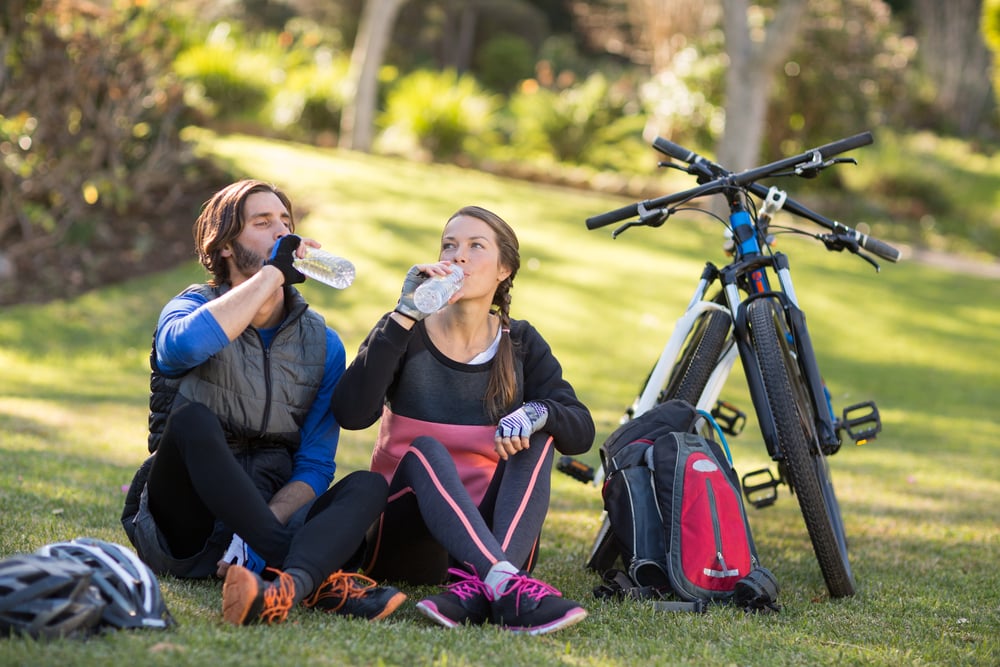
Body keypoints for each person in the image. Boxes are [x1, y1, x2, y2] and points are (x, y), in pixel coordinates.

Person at [120, 179, 404, 626]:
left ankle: (283, 584)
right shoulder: (190, 307)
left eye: (286, 222)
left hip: (270, 508)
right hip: (185, 523)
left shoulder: (323, 344)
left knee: (367, 486)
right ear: (227, 246)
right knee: (192, 421)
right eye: (263, 222)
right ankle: (316, 577)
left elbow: (314, 465)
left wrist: (253, 535)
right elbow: (182, 349)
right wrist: (272, 273)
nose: (281, 232)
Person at [331, 205, 595, 635]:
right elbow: (351, 413)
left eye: (476, 246)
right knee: (426, 451)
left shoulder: (522, 342)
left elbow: (580, 431)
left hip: (493, 537)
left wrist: (535, 411)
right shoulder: (405, 330)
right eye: (449, 245)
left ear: (504, 270)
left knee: (542, 436)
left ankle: (483, 584)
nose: (458, 256)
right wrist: (403, 314)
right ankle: (504, 583)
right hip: (405, 536)